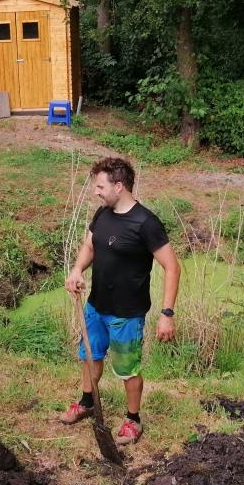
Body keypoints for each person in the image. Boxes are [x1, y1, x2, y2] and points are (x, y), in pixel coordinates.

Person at [62, 157, 181, 444]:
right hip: (96, 306)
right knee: (90, 356)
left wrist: (167, 313)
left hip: (127, 313)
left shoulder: (146, 223)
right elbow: (89, 245)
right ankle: (87, 403)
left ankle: (133, 420)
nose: (96, 192)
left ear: (119, 186)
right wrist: (77, 269)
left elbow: (172, 267)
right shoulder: (102, 214)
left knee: (128, 369)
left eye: (100, 186)